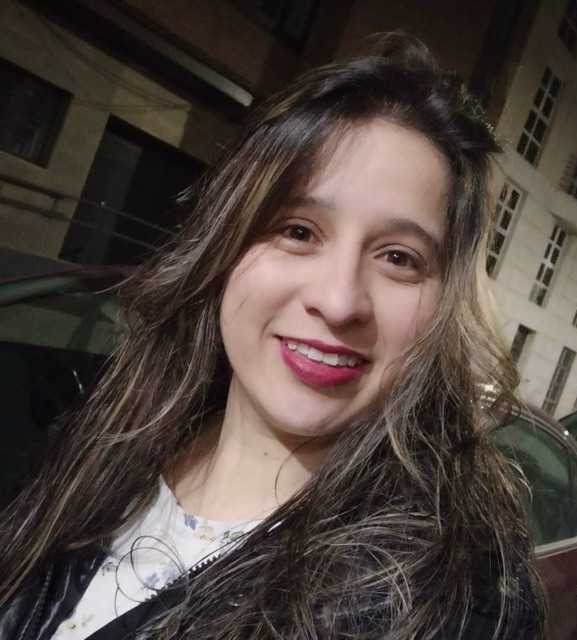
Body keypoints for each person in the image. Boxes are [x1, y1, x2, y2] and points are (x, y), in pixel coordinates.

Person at [0, 33, 545, 639]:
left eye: (399, 257)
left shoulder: (454, 605)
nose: (339, 301)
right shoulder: (90, 436)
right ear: (225, 243)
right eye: (299, 231)